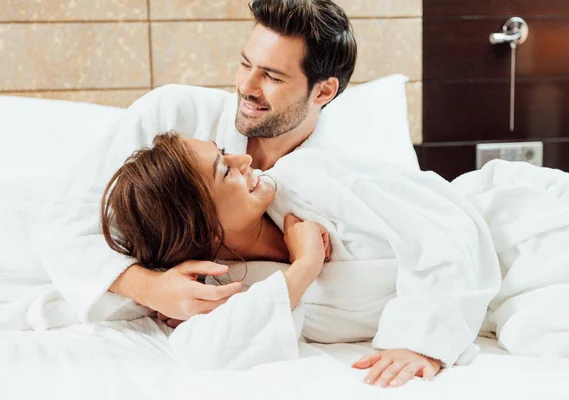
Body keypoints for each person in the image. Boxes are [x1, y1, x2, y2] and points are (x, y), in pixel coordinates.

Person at [39, 0, 356, 328]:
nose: (246, 87)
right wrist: (151, 288)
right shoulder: (172, 115)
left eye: (272, 77)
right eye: (245, 64)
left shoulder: (338, 177)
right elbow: (65, 231)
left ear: (323, 91)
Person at [100, 131, 501, 387]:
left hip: (503, 234)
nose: (244, 160)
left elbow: (443, 223)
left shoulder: (308, 179)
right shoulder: (224, 286)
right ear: (202, 229)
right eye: (225, 171)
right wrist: (304, 267)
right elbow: (202, 352)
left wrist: (423, 343)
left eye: (225, 152)